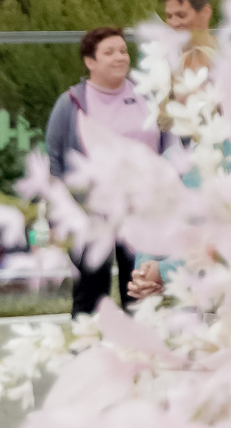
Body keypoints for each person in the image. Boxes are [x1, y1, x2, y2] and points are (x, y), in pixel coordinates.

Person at [44, 28, 158, 316]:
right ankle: (86, 354)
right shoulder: (71, 103)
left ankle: (142, 356)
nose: (119, 57)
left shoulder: (148, 97)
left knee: (140, 292)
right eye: (109, 52)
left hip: (142, 212)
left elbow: (169, 146)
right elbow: (55, 162)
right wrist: (58, 215)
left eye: (123, 50)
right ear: (90, 62)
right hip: (90, 215)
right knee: (91, 295)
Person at [161, 0, 217, 66]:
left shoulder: (228, 56)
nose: (174, 23)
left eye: (181, 15)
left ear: (205, 12)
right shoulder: (162, 59)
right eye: (169, 16)